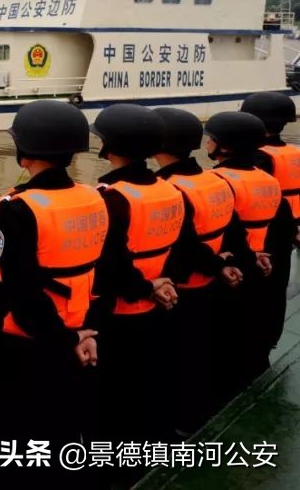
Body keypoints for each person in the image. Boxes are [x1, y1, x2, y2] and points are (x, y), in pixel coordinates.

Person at [0, 100, 105, 490]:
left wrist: (64, 340)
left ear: (24, 152)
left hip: (25, 351)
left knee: (7, 450)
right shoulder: (93, 197)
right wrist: (75, 336)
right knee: (61, 441)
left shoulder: (15, 208)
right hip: (78, 336)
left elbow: (18, 291)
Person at [87, 104, 183, 451]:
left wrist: (143, 287)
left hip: (116, 314)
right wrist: (160, 284)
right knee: (146, 384)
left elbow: (109, 263)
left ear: (110, 147)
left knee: (112, 395)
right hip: (157, 305)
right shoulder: (170, 189)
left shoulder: (110, 197)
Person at [152, 108, 243, 430]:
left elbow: (184, 245)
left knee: (177, 364)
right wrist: (222, 264)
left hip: (177, 292)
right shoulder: (214, 180)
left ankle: (179, 423)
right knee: (202, 357)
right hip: (211, 286)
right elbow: (230, 231)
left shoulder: (168, 189)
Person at [205, 111, 291, 385]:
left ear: (224, 147)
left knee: (225, 341)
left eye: (211, 139)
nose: (206, 144)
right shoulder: (269, 181)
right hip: (261, 268)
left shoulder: (217, 182)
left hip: (229, 271)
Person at [240, 91, 299, 356]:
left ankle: (252, 342)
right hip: (291, 231)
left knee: (258, 290)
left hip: (263, 233)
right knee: (277, 288)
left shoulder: (259, 157)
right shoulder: (293, 152)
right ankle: (270, 337)